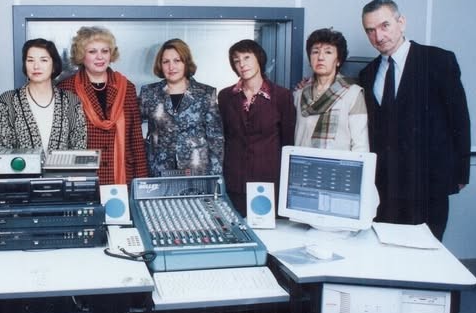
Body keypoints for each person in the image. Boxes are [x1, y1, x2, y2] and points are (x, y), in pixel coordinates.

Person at [358, 0, 470, 241]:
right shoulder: (366, 74)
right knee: (385, 254)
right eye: (370, 30)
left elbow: (459, 119)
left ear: (401, 22)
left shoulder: (438, 60)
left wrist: (461, 173)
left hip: (427, 185)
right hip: (385, 187)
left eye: (384, 25)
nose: (378, 36)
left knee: (426, 256)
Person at [58, 26, 147, 185]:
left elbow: (136, 140)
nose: (100, 57)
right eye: (92, 51)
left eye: (105, 51)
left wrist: (142, 182)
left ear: (111, 54)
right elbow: (62, 141)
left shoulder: (127, 87)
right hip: (83, 177)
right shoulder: (66, 88)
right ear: (81, 55)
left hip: (123, 177)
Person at [218, 39, 296, 216]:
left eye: (247, 57)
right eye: (236, 60)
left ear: (259, 58)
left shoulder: (282, 96)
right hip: (235, 180)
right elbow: (223, 138)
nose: (242, 64)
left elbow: (288, 142)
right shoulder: (225, 96)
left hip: (269, 182)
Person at [139, 38, 223, 177]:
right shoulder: (149, 93)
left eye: (177, 61)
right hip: (159, 170)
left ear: (186, 62)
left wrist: (215, 177)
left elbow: (216, 139)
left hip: (197, 171)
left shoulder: (206, 93)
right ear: (160, 65)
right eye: (166, 62)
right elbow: (132, 129)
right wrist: (148, 149)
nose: (171, 67)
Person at [0, 38, 87, 154]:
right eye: (30, 60)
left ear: (54, 66)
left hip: (63, 172)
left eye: (43, 60)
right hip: (17, 172)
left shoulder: (71, 101)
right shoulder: (7, 101)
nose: (36, 66)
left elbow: (79, 148)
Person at [293, 28, 369, 151]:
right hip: (302, 166)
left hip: (338, 168)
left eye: (328, 52)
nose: (320, 57)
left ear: (338, 60)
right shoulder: (299, 93)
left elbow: (361, 145)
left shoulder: (353, 94)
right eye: (315, 52)